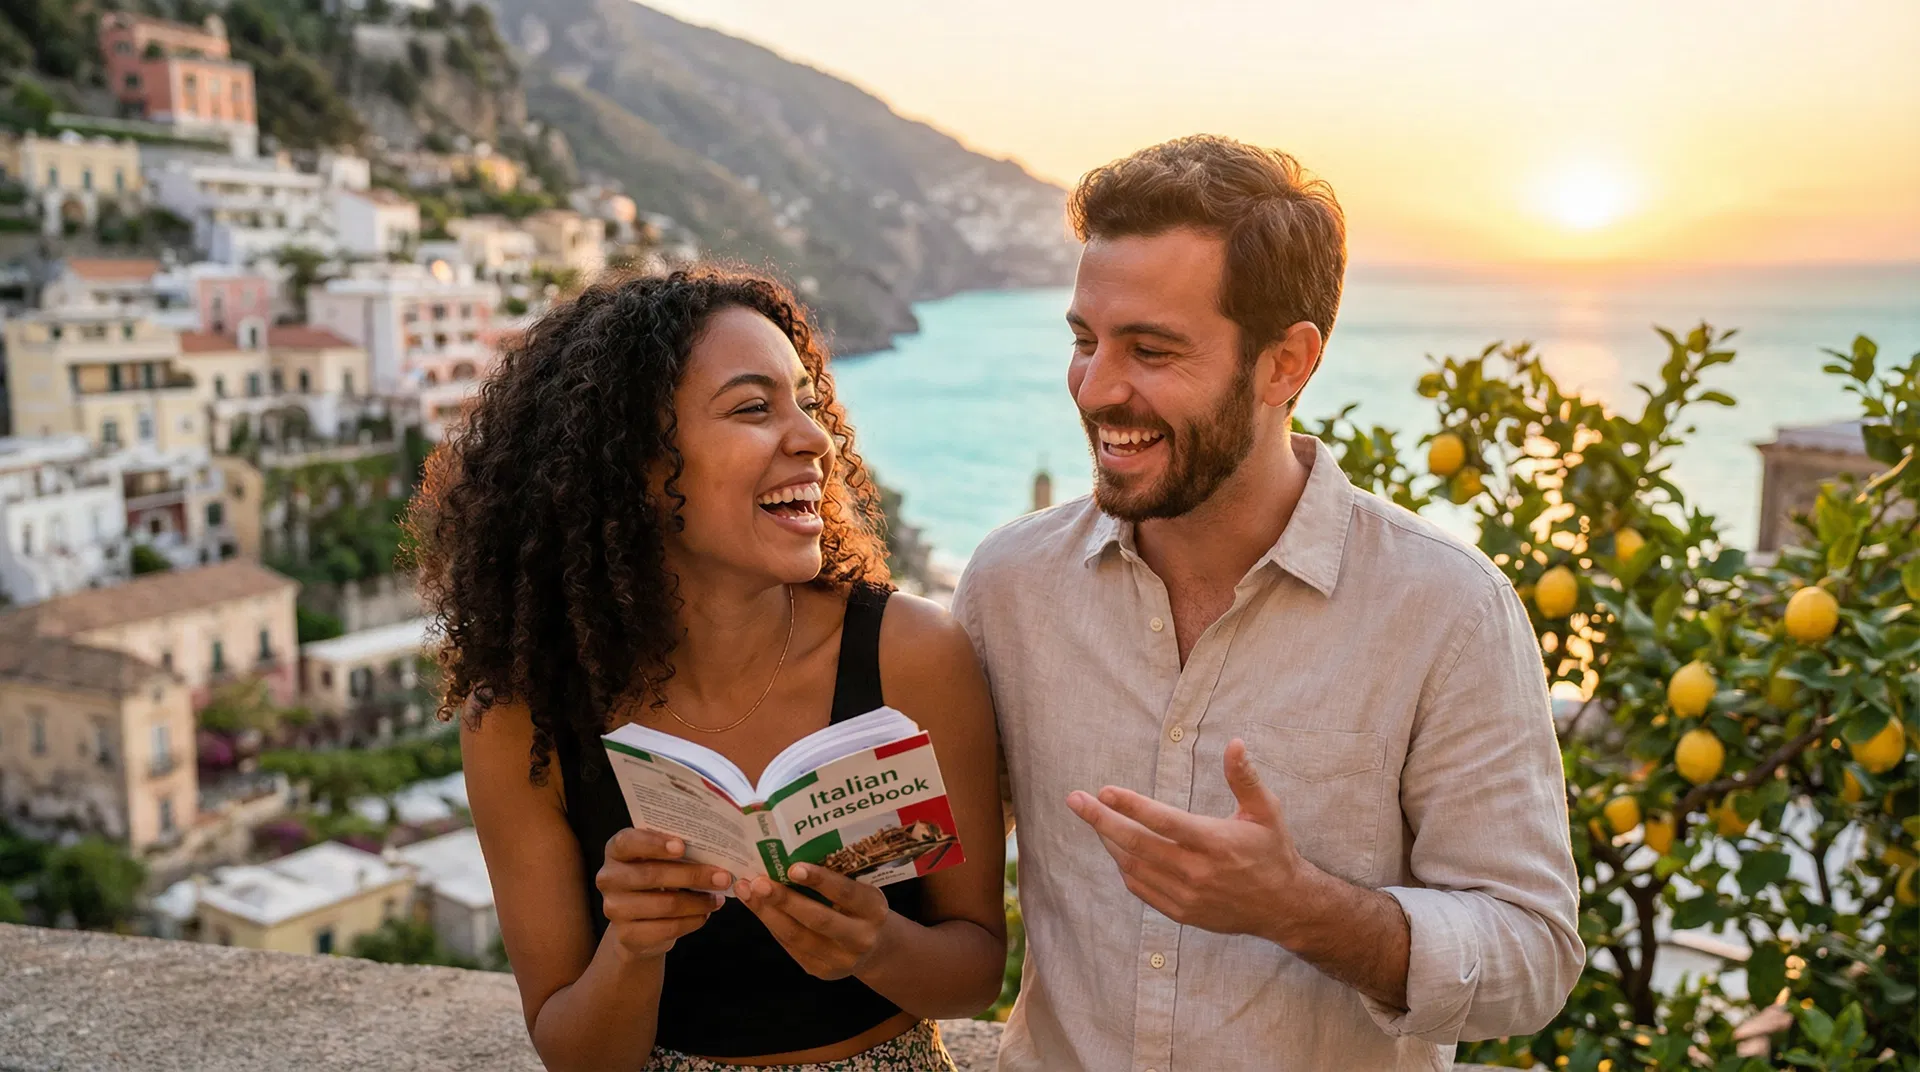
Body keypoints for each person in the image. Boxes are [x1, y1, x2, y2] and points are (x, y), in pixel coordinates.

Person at [951, 136, 1583, 1070]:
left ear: (1286, 363)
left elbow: (1532, 959)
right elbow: (935, 869)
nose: (1098, 389)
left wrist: (1299, 907)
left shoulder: (1447, 610)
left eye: (1152, 350)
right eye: (1085, 341)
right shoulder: (1009, 585)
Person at [413, 268, 1006, 1072]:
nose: (814, 438)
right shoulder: (525, 716)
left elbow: (972, 975)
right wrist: (633, 946)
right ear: (634, 465)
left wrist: (875, 944)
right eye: (753, 408)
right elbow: (574, 1055)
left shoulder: (913, 654)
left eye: (805, 401)